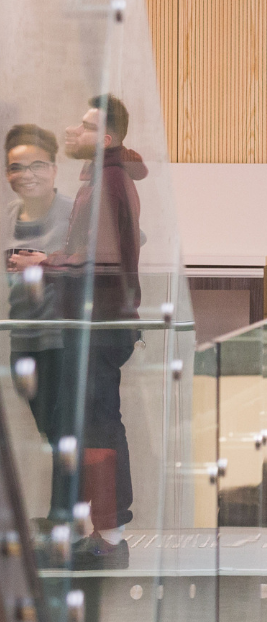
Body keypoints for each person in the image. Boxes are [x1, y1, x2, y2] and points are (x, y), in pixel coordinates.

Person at [41, 95, 146, 570]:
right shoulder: (103, 179)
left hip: (99, 326)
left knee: (99, 427)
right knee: (92, 425)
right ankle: (103, 533)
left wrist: (44, 262)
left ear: (104, 140)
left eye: (84, 127)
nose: (73, 131)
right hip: (98, 323)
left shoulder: (107, 182)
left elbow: (102, 262)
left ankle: (109, 538)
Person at [4, 124, 74, 527]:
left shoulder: (74, 212)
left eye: (36, 165)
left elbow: (121, 247)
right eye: (15, 167)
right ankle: (61, 516)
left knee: (64, 433)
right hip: (22, 339)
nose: (26, 174)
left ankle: (63, 518)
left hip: (63, 340)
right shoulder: (7, 216)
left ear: (53, 168)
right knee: (50, 432)